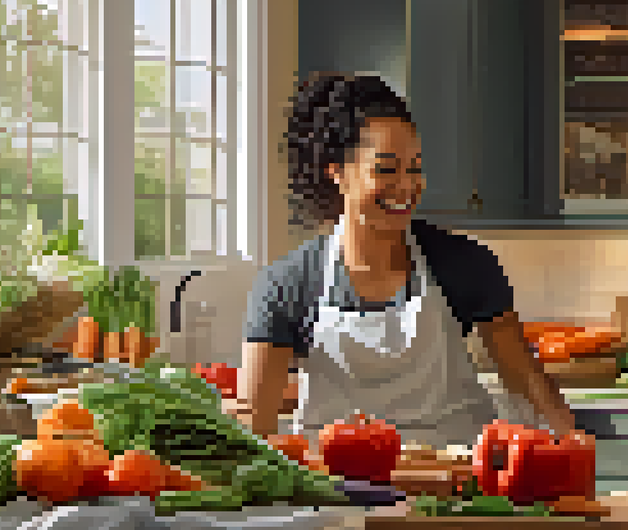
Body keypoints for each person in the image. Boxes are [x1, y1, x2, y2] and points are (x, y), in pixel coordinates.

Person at [237, 73, 589, 452]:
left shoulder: (464, 263)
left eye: (415, 168)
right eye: (386, 170)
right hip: (339, 489)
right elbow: (253, 425)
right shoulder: (286, 284)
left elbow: (528, 383)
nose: (406, 187)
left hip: (457, 481)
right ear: (337, 172)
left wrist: (574, 449)